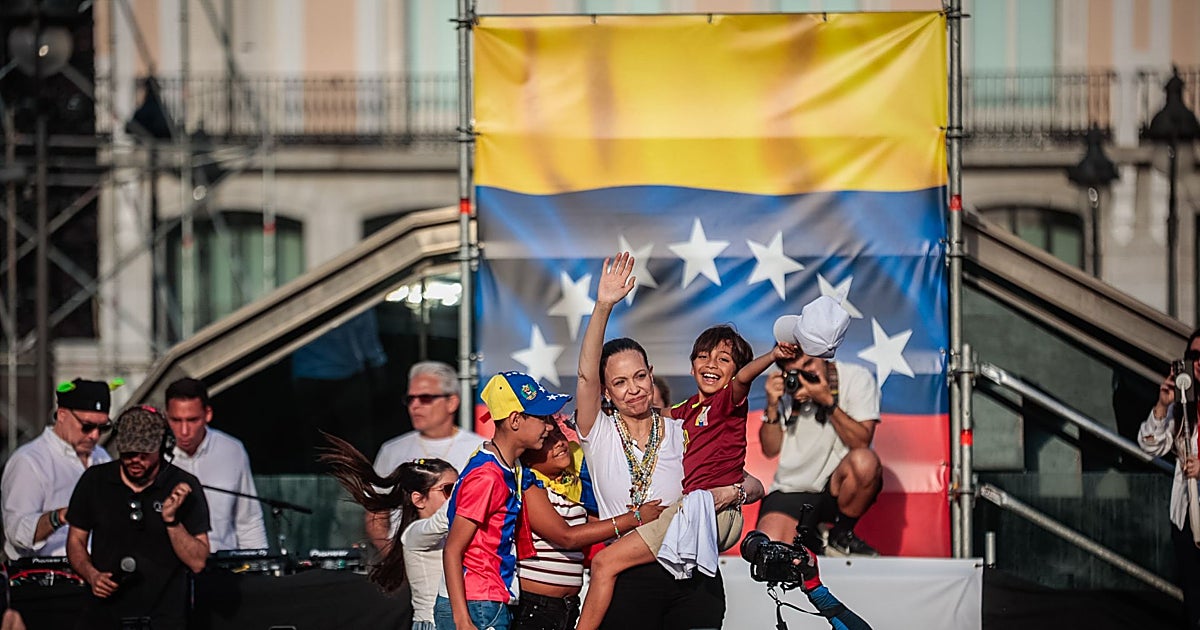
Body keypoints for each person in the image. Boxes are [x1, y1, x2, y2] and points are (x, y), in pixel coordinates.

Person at [574, 252, 765, 630]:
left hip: (694, 579)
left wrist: (731, 494)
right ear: (607, 393)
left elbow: (753, 484)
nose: (634, 390)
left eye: (640, 376)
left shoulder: (680, 427)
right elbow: (584, 378)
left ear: (651, 374)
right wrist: (603, 307)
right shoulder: (598, 431)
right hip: (630, 579)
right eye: (620, 383)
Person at [434, 371, 570, 630]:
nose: (550, 426)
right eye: (542, 418)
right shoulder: (488, 475)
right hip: (478, 605)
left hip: (487, 601)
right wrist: (463, 621)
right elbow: (452, 549)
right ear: (516, 420)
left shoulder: (509, 467)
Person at [757, 295, 883, 557]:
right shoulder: (783, 390)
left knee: (865, 462)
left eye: (807, 368)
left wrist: (827, 401)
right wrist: (771, 406)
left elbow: (862, 443)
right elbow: (770, 450)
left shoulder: (856, 378)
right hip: (792, 487)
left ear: (823, 357)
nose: (801, 378)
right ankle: (815, 537)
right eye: (794, 373)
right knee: (771, 551)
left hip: (835, 488)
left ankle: (840, 534)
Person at [66, 406, 210, 629]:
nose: (135, 460)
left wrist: (172, 521)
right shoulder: (95, 481)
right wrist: (91, 574)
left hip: (165, 620)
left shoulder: (183, 485)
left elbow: (199, 561)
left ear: (162, 447)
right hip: (105, 618)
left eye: (144, 454)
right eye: (128, 453)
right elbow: (76, 540)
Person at [514, 422, 666, 630]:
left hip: (567, 606)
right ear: (528, 456)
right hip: (536, 606)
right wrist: (634, 517)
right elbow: (567, 537)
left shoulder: (574, 487)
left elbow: (599, 528)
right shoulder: (531, 487)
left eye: (558, 434)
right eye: (546, 440)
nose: (559, 443)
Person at [320, 433, 457, 630]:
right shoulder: (414, 534)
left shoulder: (451, 532)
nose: (457, 496)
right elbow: (441, 522)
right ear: (419, 499)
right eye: (449, 489)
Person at [370, 361, 485, 553]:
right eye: (410, 399)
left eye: (425, 398)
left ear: (452, 402)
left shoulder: (480, 449)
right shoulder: (392, 450)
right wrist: (393, 558)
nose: (415, 406)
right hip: (403, 562)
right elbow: (375, 513)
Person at [2, 378, 114, 560]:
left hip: (97, 570)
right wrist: (60, 517)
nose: (94, 435)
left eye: (103, 428)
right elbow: (16, 532)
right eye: (87, 426)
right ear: (62, 415)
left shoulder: (101, 456)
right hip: (49, 574)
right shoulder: (30, 461)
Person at [1138, 329, 1200, 627]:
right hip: (1187, 518)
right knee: (1194, 604)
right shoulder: (1182, 407)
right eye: (1194, 356)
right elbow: (1150, 445)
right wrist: (1163, 405)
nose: (1199, 362)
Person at [163, 377, 268, 551]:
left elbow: (248, 518)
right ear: (166, 417)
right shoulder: (154, 456)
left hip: (225, 564)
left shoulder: (232, 450)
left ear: (208, 414)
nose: (184, 431)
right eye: (176, 420)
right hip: (171, 567)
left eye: (192, 420)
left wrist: (260, 568)